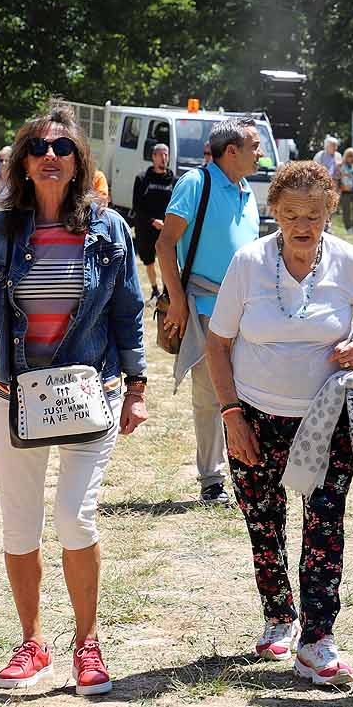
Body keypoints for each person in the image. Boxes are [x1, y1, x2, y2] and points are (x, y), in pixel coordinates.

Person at [0, 106, 148, 694]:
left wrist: (136, 389)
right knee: (20, 524)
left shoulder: (109, 231)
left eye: (61, 147)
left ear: (78, 162)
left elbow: (128, 313)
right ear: (21, 161)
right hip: (14, 396)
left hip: (91, 391)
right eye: (36, 146)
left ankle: (87, 644)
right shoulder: (0, 232)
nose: (48, 155)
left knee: (74, 515)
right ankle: (31, 642)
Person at [205, 162, 353, 684]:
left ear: (329, 212)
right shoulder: (248, 263)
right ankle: (278, 616)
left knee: (325, 524)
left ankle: (317, 638)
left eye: (312, 215)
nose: (302, 225)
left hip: (325, 418)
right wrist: (231, 415)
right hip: (254, 418)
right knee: (263, 521)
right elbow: (218, 344)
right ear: (275, 213)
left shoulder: (352, 263)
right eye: (290, 214)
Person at [157, 119, 264, 507]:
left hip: (247, 308)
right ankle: (212, 479)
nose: (260, 153)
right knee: (209, 395)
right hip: (203, 305)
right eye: (254, 146)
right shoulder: (195, 183)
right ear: (230, 150)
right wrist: (179, 301)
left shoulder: (247, 191)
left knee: (248, 389)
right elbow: (165, 243)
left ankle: (247, 467)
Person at [131, 143, 177, 296]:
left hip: (166, 227)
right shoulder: (142, 178)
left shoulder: (173, 180)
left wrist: (168, 223)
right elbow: (137, 205)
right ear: (153, 157)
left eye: (166, 154)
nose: (164, 158)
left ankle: (166, 291)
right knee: (149, 260)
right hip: (146, 226)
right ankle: (154, 290)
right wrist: (152, 221)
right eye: (160, 154)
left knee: (166, 261)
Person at [336, 148, 353, 233]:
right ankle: (348, 227)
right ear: (345, 156)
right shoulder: (340, 165)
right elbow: (337, 177)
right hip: (345, 191)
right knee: (346, 210)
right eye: (349, 156)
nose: (351, 158)